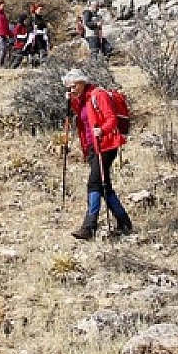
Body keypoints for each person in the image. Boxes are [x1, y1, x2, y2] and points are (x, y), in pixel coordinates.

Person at [61, 68, 134, 240]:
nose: (71, 90)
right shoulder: (83, 99)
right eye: (69, 88)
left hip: (106, 144)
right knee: (104, 186)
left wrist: (101, 130)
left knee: (94, 184)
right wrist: (71, 101)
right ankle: (124, 221)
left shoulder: (97, 95)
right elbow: (82, 118)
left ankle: (89, 226)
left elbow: (112, 120)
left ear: (81, 82)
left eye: (73, 87)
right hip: (93, 147)